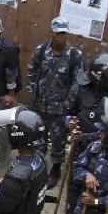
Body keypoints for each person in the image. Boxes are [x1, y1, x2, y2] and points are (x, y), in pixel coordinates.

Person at [26, 17, 86, 188]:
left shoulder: (74, 55)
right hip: (40, 104)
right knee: (38, 137)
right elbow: (32, 71)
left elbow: (77, 82)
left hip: (59, 108)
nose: (61, 36)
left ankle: (56, 169)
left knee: (58, 139)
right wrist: (32, 93)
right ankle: (37, 167)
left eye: (64, 33)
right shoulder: (42, 50)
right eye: (58, 32)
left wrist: (67, 104)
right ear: (51, 32)